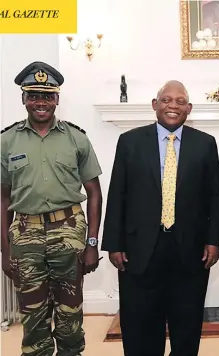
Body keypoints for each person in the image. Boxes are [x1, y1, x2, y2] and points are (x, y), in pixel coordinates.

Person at [101, 80, 219, 356]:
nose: (173, 106)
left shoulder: (205, 144)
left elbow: (214, 197)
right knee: (140, 325)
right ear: (155, 105)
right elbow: (117, 192)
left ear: (189, 109)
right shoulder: (130, 141)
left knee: (187, 325)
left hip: (189, 250)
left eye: (180, 101)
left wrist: (214, 240)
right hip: (139, 249)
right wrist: (114, 243)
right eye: (167, 100)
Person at [0, 61, 103, 356]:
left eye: (47, 96)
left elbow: (94, 193)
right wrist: (5, 251)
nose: (40, 102)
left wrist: (92, 243)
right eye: (33, 95)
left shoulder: (76, 138)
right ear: (23, 99)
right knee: (33, 316)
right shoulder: (6, 141)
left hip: (68, 232)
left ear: (57, 99)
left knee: (70, 315)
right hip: (25, 234)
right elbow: (3, 199)